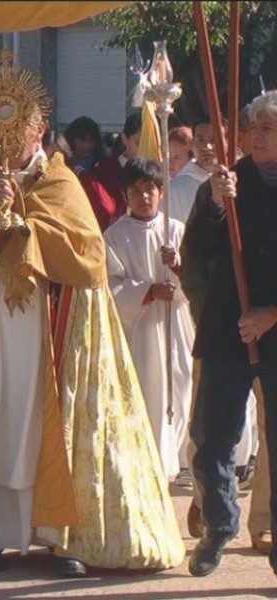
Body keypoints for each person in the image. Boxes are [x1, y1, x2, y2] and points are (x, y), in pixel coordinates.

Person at [0, 73, 184, 577]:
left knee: (43, 426)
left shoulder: (60, 182)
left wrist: (22, 225)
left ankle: (59, 536)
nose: (5, 139)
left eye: (17, 125)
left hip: (46, 335)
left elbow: (87, 257)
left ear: (39, 128)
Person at [183, 90, 277, 577]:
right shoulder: (226, 180)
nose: (257, 136)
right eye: (252, 128)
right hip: (227, 329)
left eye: (268, 128)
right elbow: (196, 251)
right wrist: (218, 205)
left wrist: (272, 313)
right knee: (213, 436)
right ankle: (219, 524)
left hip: (274, 330)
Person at [104, 159, 194, 479]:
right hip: (140, 328)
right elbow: (110, 285)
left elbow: (197, 279)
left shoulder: (176, 230)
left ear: (161, 192)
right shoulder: (114, 236)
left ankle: (178, 461)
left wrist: (178, 266)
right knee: (147, 392)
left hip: (175, 324)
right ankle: (150, 465)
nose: (144, 196)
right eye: (135, 191)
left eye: (150, 189)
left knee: (181, 388)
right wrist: (148, 291)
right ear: (125, 195)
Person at [79, 112, 142, 230]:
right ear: (125, 138)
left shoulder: (159, 171)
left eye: (148, 144)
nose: (143, 149)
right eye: (138, 143)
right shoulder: (103, 170)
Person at [169, 117, 223, 224]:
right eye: (200, 140)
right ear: (192, 145)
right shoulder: (175, 189)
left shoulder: (237, 179)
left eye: (214, 140)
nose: (207, 147)